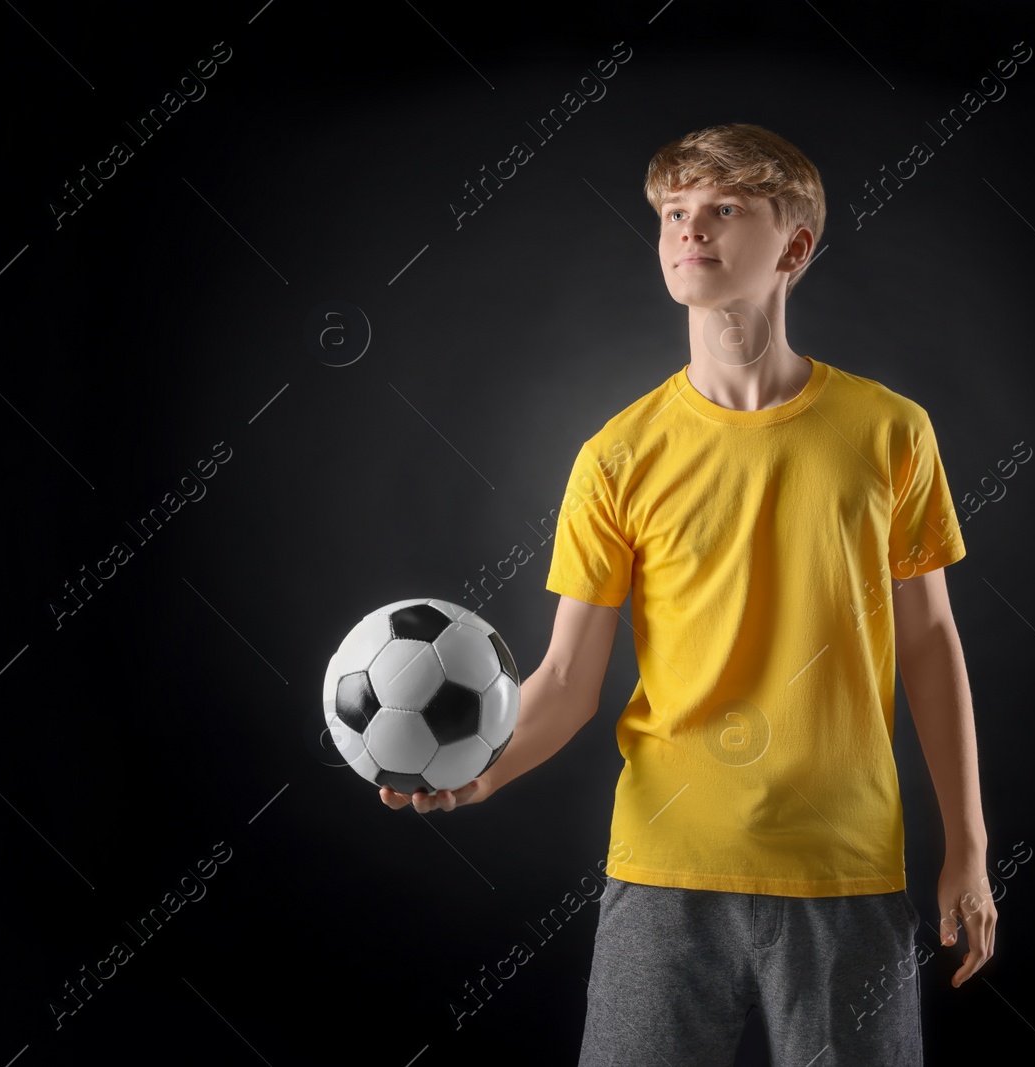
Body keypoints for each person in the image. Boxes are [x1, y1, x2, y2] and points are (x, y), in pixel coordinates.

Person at [382, 122, 996, 1065]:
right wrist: (481, 771)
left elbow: (931, 645)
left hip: (843, 867)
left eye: (723, 210)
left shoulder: (890, 434)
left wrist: (970, 845)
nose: (688, 230)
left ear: (794, 246)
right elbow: (564, 681)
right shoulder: (617, 456)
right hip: (663, 871)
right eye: (674, 211)